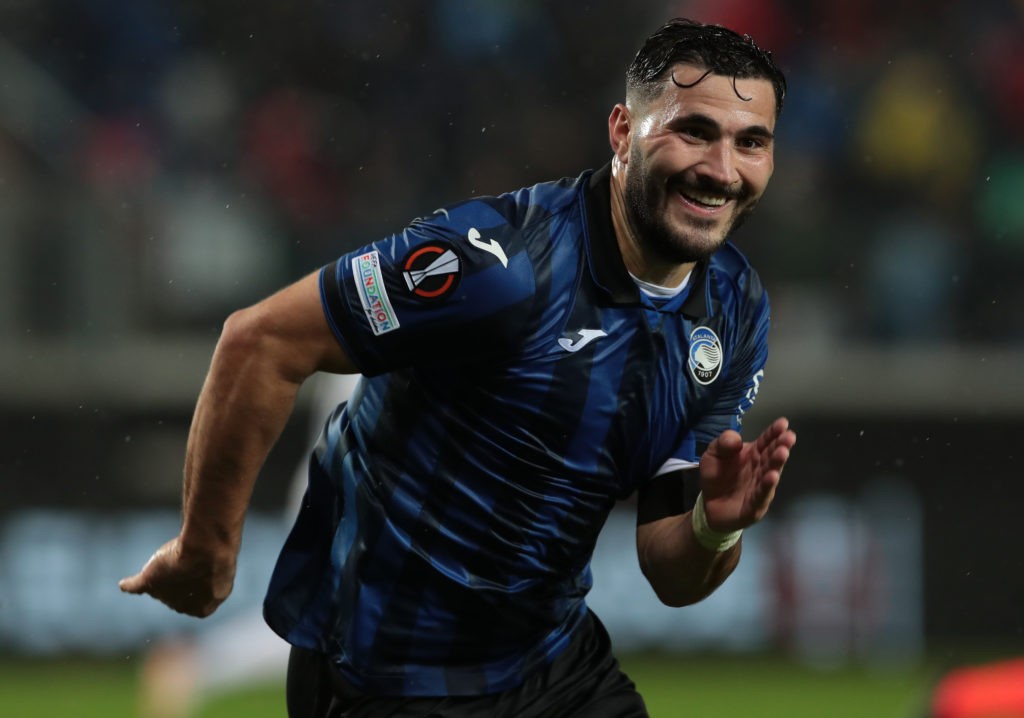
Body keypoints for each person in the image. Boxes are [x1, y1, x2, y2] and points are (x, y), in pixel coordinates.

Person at [120, 17, 797, 718]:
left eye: (751, 142)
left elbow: (670, 570)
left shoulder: (734, 309)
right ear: (623, 132)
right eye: (694, 132)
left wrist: (717, 526)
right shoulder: (499, 266)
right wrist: (204, 551)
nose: (722, 169)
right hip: (384, 673)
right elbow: (259, 344)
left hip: (552, 668)